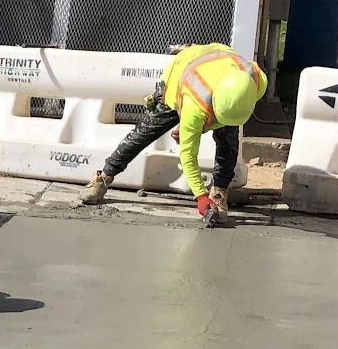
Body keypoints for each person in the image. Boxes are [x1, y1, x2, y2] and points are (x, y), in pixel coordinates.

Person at [80, 43, 266, 224]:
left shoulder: (256, 80)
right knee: (146, 131)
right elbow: (188, 155)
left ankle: (219, 191)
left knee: (228, 140)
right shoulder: (196, 103)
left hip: (219, 57)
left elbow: (228, 114)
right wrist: (200, 197)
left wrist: (201, 127)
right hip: (182, 73)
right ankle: (103, 177)